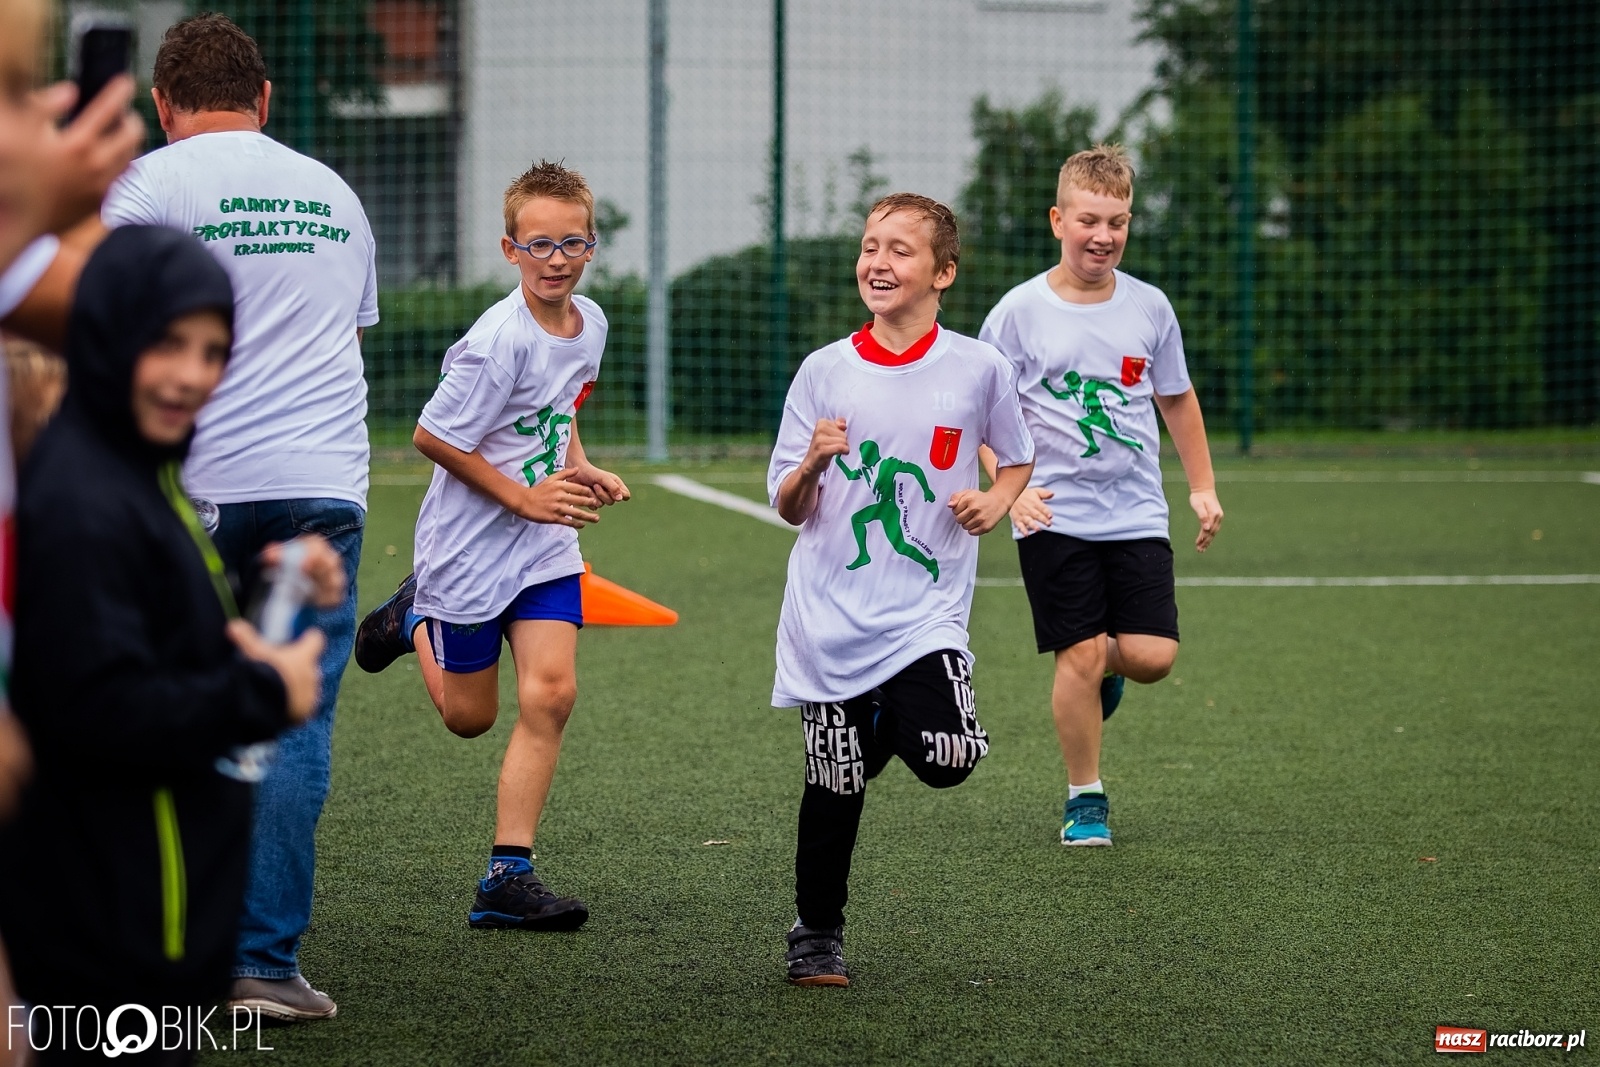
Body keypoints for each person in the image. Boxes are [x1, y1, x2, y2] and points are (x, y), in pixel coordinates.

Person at [0, 225, 340, 1063]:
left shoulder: (142, 469)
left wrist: (270, 588)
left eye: (212, 348)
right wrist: (267, 692)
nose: (190, 373)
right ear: (108, 331)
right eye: (166, 342)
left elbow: (156, 628)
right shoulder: (85, 497)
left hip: (154, 923)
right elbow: (100, 702)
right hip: (108, 931)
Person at [100, 14, 379, 1020]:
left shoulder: (151, 183)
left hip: (193, 485)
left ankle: (153, 939)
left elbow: (104, 321)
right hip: (322, 488)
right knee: (287, 712)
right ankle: (261, 961)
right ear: (265, 100)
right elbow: (344, 335)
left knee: (143, 696)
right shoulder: (336, 194)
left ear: (161, 105)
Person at [354, 160, 629, 931]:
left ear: (591, 247)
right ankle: (412, 619)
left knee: (552, 694)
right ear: (510, 250)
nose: (554, 259)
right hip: (470, 547)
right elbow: (431, 436)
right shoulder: (494, 341)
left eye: (570, 243)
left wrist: (579, 468)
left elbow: (561, 409)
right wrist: (521, 495)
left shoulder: (592, 324)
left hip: (543, 546)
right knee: (469, 719)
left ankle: (508, 873)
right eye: (537, 245)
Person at [768, 193, 1034, 986]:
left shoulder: (980, 368)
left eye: (899, 250)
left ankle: (875, 719)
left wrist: (996, 499)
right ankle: (816, 932)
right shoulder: (824, 370)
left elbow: (1016, 457)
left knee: (952, 755)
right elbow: (787, 505)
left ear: (943, 272)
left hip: (924, 614)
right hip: (829, 617)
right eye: (869, 246)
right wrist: (813, 462)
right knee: (834, 782)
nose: (877, 262)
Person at [977, 143, 1223, 847]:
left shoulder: (1150, 306)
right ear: (1058, 219)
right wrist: (1009, 490)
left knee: (1150, 657)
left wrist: (1201, 486)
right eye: (1088, 219)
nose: (1102, 235)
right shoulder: (1019, 313)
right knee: (1077, 652)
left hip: (1136, 510)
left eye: (1116, 221)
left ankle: (1100, 672)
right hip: (1050, 511)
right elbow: (980, 414)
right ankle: (1086, 796)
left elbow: (1176, 399)